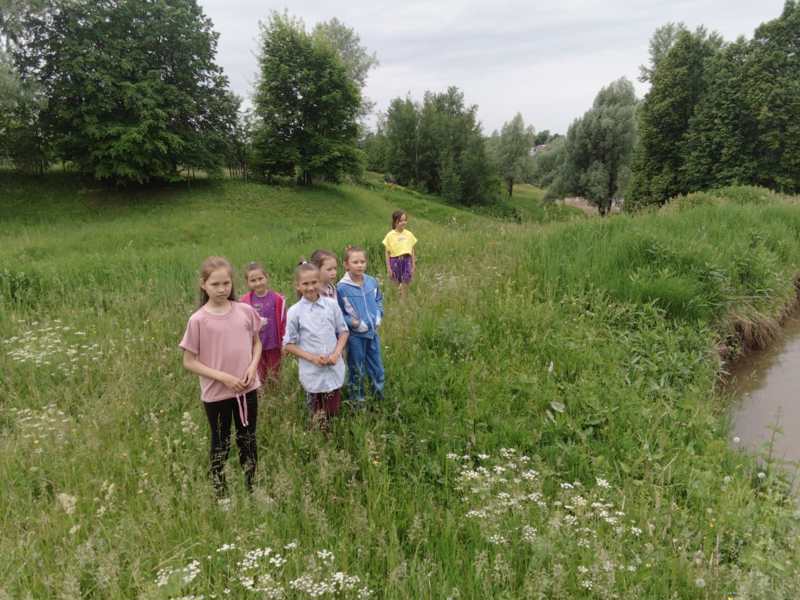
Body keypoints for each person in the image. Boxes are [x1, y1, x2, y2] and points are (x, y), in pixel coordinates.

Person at [179, 257, 262, 497]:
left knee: (248, 439)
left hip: (246, 389)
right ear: (203, 285)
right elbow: (189, 361)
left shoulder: (245, 311)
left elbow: (256, 343)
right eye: (215, 284)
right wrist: (223, 377)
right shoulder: (198, 320)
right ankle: (221, 492)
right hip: (217, 395)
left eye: (226, 283)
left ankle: (252, 487)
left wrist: (252, 367)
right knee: (221, 442)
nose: (222, 289)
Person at [283, 261, 349, 427]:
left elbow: (343, 331)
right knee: (316, 410)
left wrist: (336, 354)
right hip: (312, 370)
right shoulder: (295, 312)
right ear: (298, 286)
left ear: (320, 282)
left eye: (314, 282)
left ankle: (332, 435)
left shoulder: (331, 305)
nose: (310, 287)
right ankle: (319, 438)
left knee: (333, 408)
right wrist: (311, 358)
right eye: (305, 284)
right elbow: (288, 344)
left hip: (333, 365)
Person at [337, 245, 385, 406]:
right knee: (357, 368)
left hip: (373, 333)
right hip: (355, 337)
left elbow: (379, 300)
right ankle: (357, 402)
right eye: (355, 262)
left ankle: (378, 396)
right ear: (346, 264)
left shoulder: (371, 281)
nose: (359, 265)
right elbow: (338, 314)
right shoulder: (341, 288)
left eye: (362, 261)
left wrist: (378, 315)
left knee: (377, 366)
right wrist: (354, 323)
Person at [239, 261, 286, 385]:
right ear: (247, 283)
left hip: (273, 342)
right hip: (254, 344)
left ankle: (275, 391)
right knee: (259, 372)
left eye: (260, 278)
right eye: (253, 280)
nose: (258, 283)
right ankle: (261, 392)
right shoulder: (244, 302)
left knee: (275, 370)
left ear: (267, 277)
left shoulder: (277, 299)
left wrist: (284, 341)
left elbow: (283, 320)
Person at [382, 210, 417, 294]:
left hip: (407, 260)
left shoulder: (409, 234)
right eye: (400, 221)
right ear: (395, 222)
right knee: (395, 283)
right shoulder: (390, 235)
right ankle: (397, 300)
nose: (403, 222)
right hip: (395, 261)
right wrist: (388, 268)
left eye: (405, 220)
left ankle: (403, 302)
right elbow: (387, 253)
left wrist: (413, 265)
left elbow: (412, 250)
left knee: (406, 282)